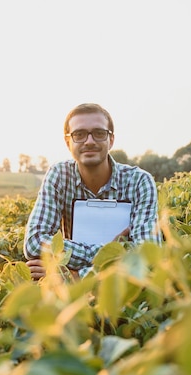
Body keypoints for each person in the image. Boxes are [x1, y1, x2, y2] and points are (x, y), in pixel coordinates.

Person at [23, 103, 161, 280]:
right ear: (68, 142)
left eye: (99, 133)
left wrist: (74, 277)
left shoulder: (139, 181)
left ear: (110, 140)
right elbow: (34, 243)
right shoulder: (59, 175)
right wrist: (112, 252)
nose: (89, 141)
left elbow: (147, 256)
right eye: (79, 134)